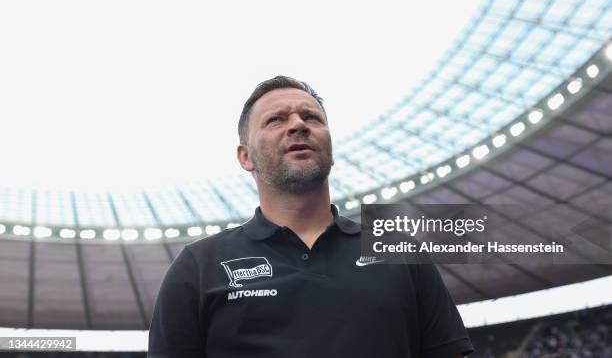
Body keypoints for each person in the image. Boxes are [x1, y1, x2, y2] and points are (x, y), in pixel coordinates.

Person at [147, 76, 474, 358]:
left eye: (312, 118)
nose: (298, 124)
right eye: (276, 120)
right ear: (245, 157)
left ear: (330, 150)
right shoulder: (199, 266)